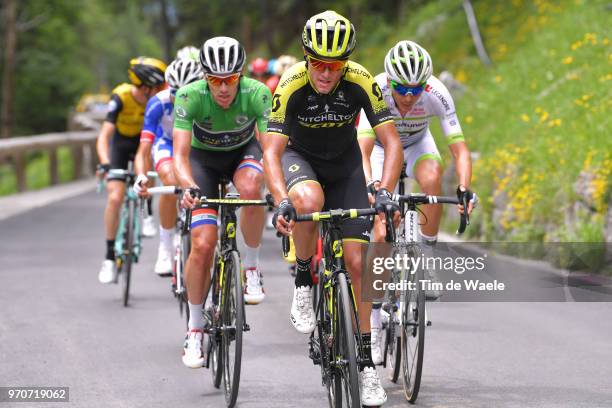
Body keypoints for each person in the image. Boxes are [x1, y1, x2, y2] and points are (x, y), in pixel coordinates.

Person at [262, 11, 402, 406]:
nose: (326, 73)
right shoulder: (291, 85)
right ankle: (305, 280)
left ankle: (366, 364)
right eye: (319, 64)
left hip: (345, 170)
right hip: (300, 161)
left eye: (335, 65)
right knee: (308, 201)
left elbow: (390, 142)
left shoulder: (361, 81)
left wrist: (387, 190)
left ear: (346, 64)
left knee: (359, 264)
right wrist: (281, 200)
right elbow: (271, 152)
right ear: (307, 59)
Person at [357, 40, 477, 365]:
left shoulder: (436, 93)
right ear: (389, 82)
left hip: (418, 143)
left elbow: (460, 149)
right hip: (383, 148)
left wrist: (465, 187)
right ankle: (375, 319)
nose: (409, 96)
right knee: (381, 233)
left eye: (415, 89)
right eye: (401, 88)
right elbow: (364, 148)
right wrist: (372, 185)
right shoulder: (376, 90)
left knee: (432, 178)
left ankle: (426, 253)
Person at [173, 36, 272, 368]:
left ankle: (252, 267)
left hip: (242, 154)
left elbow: (270, 148)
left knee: (251, 185)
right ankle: (195, 329)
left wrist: (278, 188)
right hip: (202, 163)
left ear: (241, 74)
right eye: (215, 80)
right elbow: (180, 155)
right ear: (205, 77)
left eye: (231, 78)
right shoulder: (189, 96)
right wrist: (188, 186)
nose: (224, 87)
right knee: (202, 244)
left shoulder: (257, 93)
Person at [96, 57, 167, 284]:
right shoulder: (121, 96)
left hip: (142, 143)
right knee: (115, 197)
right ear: (145, 87)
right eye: (156, 87)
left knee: (148, 165)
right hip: (120, 144)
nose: (160, 91)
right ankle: (108, 257)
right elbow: (104, 137)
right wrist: (106, 164)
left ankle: (147, 213)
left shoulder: (154, 101)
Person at [133, 58, 203, 276]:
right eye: (176, 91)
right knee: (171, 181)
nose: (181, 97)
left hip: (196, 145)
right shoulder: (158, 103)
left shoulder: (208, 101)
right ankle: (164, 247)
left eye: (187, 92)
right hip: (167, 144)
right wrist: (142, 175)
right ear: (168, 86)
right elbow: (144, 150)